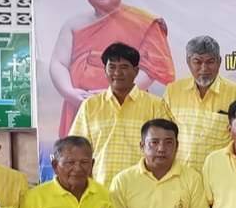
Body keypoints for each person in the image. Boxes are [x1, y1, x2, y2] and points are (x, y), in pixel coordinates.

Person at [51, 0, 175, 137]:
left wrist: (115, 93)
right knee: (79, 150)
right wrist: (71, 93)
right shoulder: (73, 24)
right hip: (80, 103)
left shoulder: (144, 22)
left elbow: (152, 68)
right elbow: (58, 63)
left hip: (129, 103)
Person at [68, 42, 174, 187]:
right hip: (101, 189)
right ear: (105, 70)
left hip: (143, 189)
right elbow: (76, 150)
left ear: (136, 71)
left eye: (124, 67)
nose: (117, 73)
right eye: (112, 67)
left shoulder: (156, 105)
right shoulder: (90, 106)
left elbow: (166, 150)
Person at [162, 35, 236, 172]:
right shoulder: (173, 91)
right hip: (180, 174)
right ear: (188, 62)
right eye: (197, 62)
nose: (204, 68)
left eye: (210, 62)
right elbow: (163, 135)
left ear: (219, 62)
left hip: (220, 174)